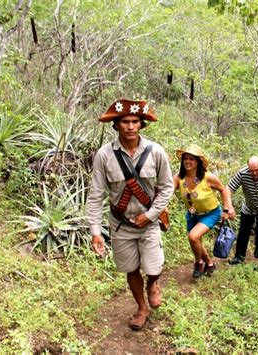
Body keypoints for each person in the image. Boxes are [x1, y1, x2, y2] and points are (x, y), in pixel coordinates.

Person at [86, 99, 173, 331]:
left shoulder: (156, 152)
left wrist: (151, 214)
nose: (130, 126)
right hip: (121, 225)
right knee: (131, 268)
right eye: (125, 121)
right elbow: (96, 195)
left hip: (149, 222)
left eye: (135, 121)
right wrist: (96, 232)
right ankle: (141, 308)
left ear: (142, 124)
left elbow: (167, 187)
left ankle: (153, 283)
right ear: (116, 125)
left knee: (153, 268)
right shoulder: (104, 155)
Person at [173, 144, 234, 279]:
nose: (188, 162)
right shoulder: (179, 178)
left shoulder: (208, 177)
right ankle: (209, 264)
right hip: (192, 214)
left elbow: (224, 190)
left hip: (211, 213)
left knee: (193, 237)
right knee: (196, 241)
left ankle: (198, 263)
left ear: (198, 162)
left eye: (191, 159)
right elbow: (166, 191)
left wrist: (226, 208)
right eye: (185, 159)